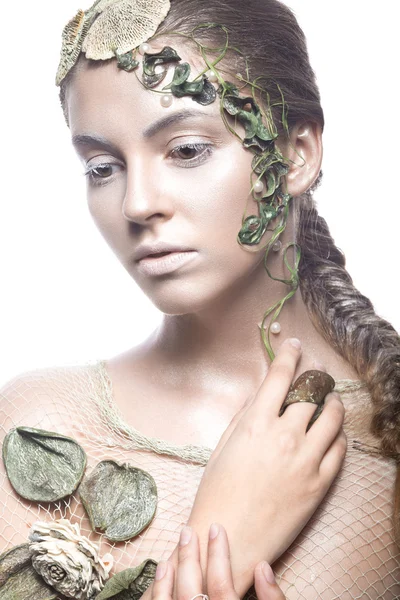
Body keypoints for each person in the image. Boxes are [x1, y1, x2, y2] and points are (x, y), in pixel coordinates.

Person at [0, 0, 399, 598]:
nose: (137, 203)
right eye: (103, 167)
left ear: (298, 154)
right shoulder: (38, 425)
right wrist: (221, 538)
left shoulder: (386, 442)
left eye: (185, 150)